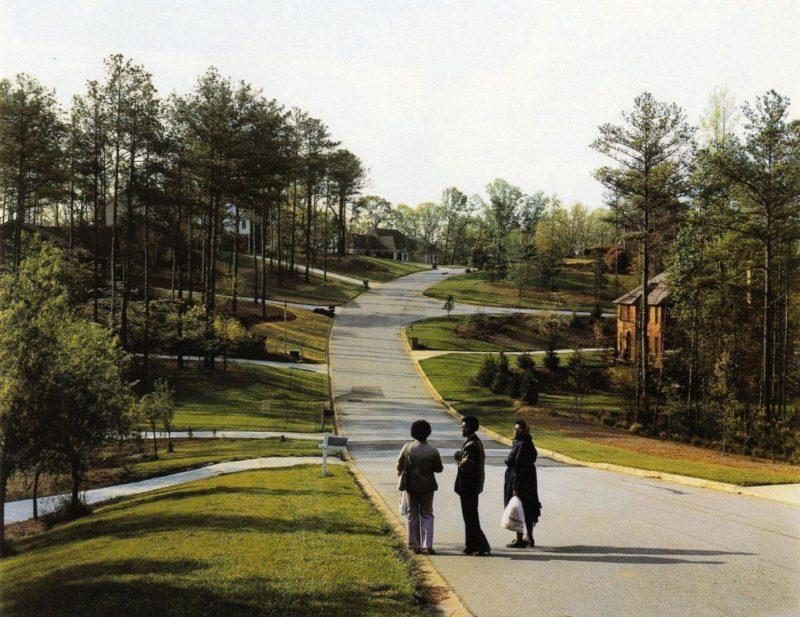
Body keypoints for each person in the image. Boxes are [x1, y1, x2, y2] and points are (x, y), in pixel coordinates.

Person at [397, 419, 443, 555]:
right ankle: (427, 545)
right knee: (427, 514)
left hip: (411, 486)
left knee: (412, 514)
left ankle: (413, 544)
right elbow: (439, 468)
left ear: (413, 433)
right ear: (428, 433)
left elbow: (399, 465)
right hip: (428, 486)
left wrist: (403, 474)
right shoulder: (433, 451)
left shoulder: (407, 448)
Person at [454, 415, 491, 556]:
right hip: (470, 486)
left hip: (469, 486)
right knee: (469, 516)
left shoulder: (472, 445)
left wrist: (458, 458)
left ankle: (483, 545)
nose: (461, 429)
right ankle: (470, 545)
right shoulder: (473, 442)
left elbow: (466, 466)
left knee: (470, 517)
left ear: (469, 428)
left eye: (463, 427)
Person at [503, 419, 541, 548]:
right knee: (527, 508)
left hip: (519, 481)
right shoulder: (527, 442)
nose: (515, 431)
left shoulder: (522, 444)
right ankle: (529, 537)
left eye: (518, 429)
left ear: (524, 430)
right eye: (514, 428)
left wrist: (515, 487)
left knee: (517, 509)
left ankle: (519, 539)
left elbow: (519, 466)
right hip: (529, 481)